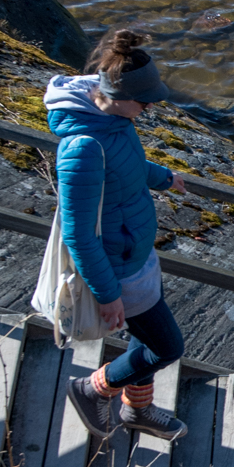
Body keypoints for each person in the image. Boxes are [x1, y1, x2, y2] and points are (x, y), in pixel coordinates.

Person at [44, 29, 191, 442]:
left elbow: (128, 164)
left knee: (145, 341)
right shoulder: (82, 147)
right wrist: (108, 295)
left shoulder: (114, 117)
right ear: (121, 95)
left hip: (136, 250)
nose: (149, 108)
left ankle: (136, 410)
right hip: (118, 268)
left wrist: (163, 177)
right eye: (145, 102)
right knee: (166, 348)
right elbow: (77, 234)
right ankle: (91, 389)